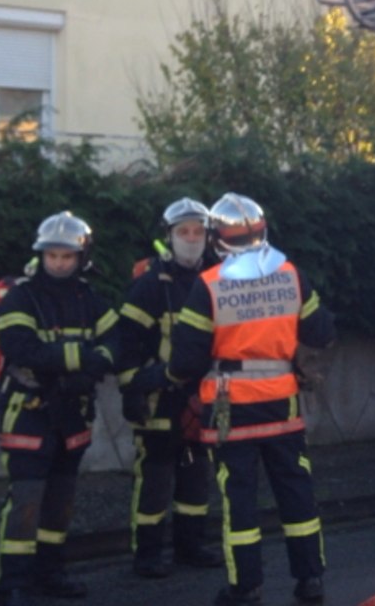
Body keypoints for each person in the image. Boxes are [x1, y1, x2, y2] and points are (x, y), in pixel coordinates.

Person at [133, 193, 335, 606]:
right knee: (296, 491)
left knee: (238, 499)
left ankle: (246, 588)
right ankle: (311, 580)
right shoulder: (291, 274)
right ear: (263, 233)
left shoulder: (210, 285)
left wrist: (158, 377)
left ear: (217, 240)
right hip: (283, 406)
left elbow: (186, 361)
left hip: (228, 409)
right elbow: (321, 332)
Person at [0, 212, 118, 606]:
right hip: (28, 412)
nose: (59, 263)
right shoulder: (20, 297)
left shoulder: (91, 299)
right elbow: (20, 348)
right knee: (26, 498)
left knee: (60, 500)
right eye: (53, 256)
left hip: (72, 415)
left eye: (67, 256)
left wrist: (85, 361)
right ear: (41, 256)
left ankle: (50, 574)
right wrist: (83, 359)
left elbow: (116, 344)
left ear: (81, 257)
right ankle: (11, 585)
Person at [117, 197, 224, 578]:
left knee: (196, 475)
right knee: (156, 479)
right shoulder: (150, 285)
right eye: (183, 232)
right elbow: (125, 344)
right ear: (169, 236)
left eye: (198, 231)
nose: (191, 238)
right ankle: (147, 554)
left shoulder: (217, 278)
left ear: (208, 236)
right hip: (159, 397)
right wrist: (131, 390)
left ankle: (190, 546)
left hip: (203, 398)